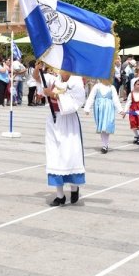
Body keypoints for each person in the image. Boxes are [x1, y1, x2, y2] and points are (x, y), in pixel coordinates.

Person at [40, 67, 86, 206]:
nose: (60, 69)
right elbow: (37, 79)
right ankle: (60, 196)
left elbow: (75, 103)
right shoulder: (56, 79)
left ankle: (74, 187)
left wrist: (53, 94)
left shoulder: (76, 82)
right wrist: (37, 68)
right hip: (54, 121)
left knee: (70, 155)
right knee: (55, 156)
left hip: (68, 121)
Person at [83, 76, 122, 153]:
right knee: (102, 127)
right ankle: (104, 144)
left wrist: (120, 110)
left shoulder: (112, 87)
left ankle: (105, 145)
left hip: (109, 109)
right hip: (99, 110)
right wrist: (87, 108)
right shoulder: (97, 86)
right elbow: (91, 97)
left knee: (106, 126)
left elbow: (116, 99)